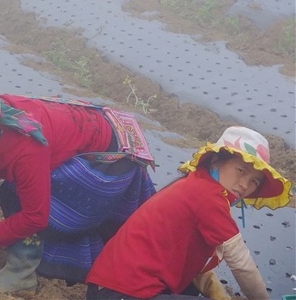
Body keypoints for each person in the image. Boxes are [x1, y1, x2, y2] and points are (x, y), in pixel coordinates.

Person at [0, 80, 156, 293]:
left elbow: (35, 217)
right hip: (81, 130)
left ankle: (20, 274)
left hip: (112, 160)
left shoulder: (25, 150)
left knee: (26, 199)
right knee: (26, 188)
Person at [86, 126, 292, 300]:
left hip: (107, 288)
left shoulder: (195, 185)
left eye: (255, 181)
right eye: (241, 171)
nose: (245, 185)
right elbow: (241, 263)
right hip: (124, 291)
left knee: (192, 291)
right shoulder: (207, 196)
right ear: (215, 162)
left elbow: (191, 265)